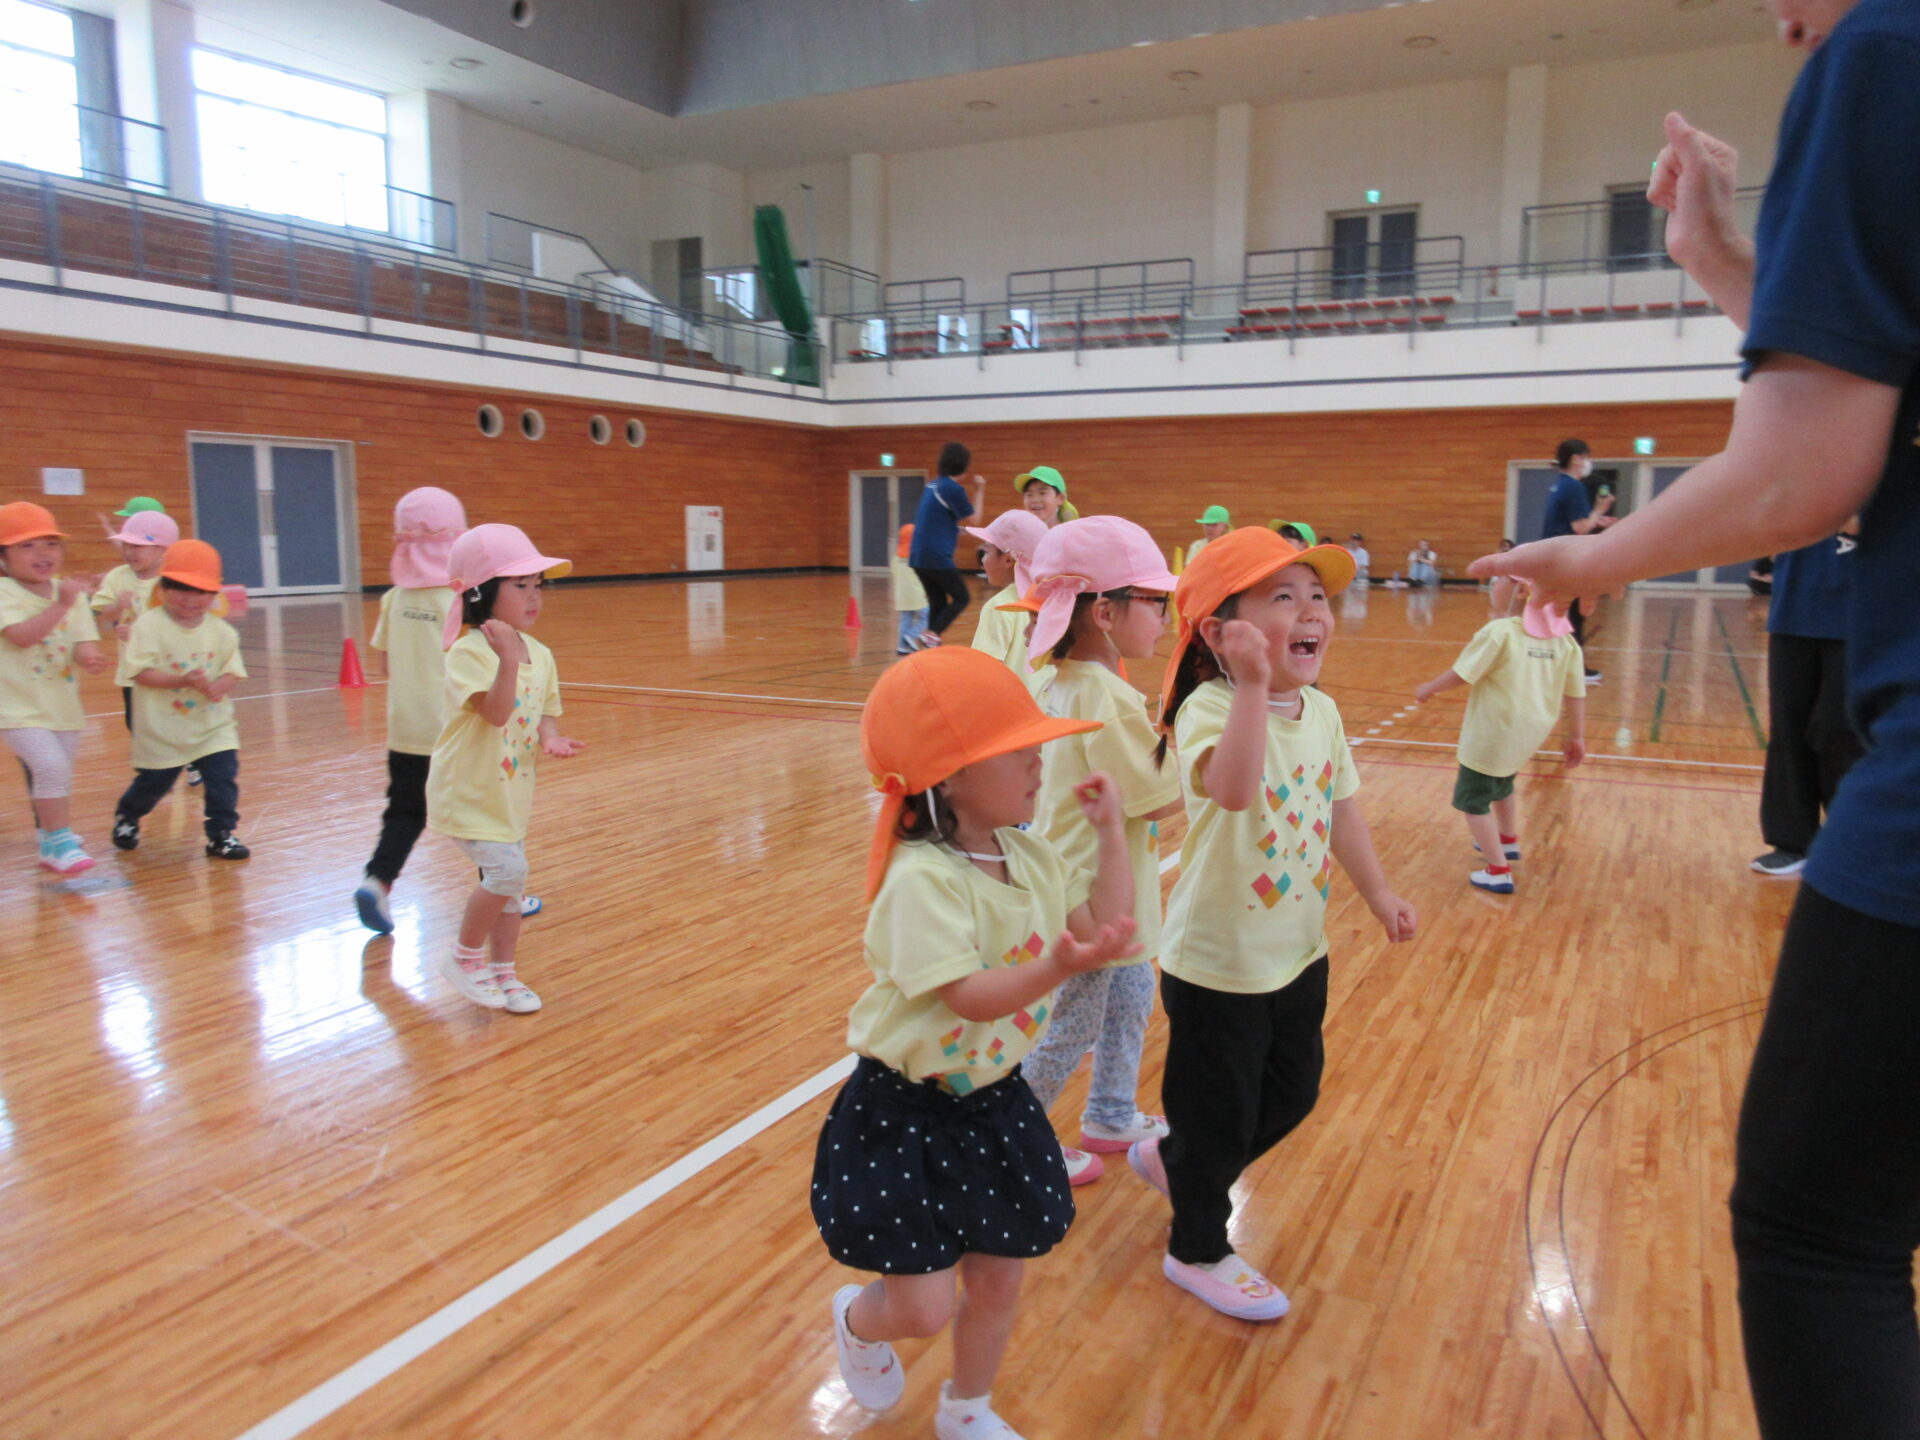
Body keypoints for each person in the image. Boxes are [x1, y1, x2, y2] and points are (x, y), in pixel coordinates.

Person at [1475, 8, 1920, 1426]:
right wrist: (1724, 261)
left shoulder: (1883, 49)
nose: (1783, 23)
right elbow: (1878, 383)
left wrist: (1588, 563)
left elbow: (1802, 472)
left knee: (1817, 1231)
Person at [814, 646, 1139, 1440]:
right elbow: (967, 995)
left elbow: (1107, 926)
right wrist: (1058, 965)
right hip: (905, 1115)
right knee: (922, 1308)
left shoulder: (1031, 854)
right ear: (949, 775)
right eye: (1015, 749)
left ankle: (968, 1409)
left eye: (1036, 745)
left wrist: (1112, 833)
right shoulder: (920, 879)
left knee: (998, 1280)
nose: (1038, 761)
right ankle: (858, 1320)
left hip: (994, 1103)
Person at [1142, 527, 1416, 1320]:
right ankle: (1196, 1246)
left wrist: (1378, 893)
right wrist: (1254, 689)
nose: (1311, 612)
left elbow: (1340, 809)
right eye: (1283, 597)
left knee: (1293, 1093)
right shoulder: (1211, 708)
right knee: (1219, 1116)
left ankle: (1178, 1159)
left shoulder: (1322, 712)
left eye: (1317, 597)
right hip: (1216, 964)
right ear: (1220, 632)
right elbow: (1233, 790)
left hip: (1297, 951)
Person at [1004, 517, 1183, 1186]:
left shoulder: (1065, 680)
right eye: (1156, 601)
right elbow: (1160, 798)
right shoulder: (1105, 698)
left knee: (1132, 991)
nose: (1166, 617)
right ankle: (1010, 1141)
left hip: (1092, 884)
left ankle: (1109, 1112)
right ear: (1105, 613)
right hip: (1089, 895)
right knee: (1071, 1028)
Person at [426, 524, 584, 1013]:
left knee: (511, 889)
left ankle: (504, 974)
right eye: (520, 586)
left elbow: (545, 710)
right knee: (509, 871)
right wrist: (509, 660)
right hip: (467, 793)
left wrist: (550, 737)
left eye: (538, 585)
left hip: (509, 797)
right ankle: (463, 957)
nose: (534, 596)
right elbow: (496, 713)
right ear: (480, 592)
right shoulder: (468, 653)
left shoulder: (542, 655)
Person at [354, 488, 521, 935]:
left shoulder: (394, 598)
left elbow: (386, 664)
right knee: (486, 812)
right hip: (458, 732)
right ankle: (504, 893)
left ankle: (377, 881)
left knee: (405, 812)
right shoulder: (462, 601)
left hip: (406, 732)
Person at [1411, 579, 1587, 893]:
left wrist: (1428, 688)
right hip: (1529, 734)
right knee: (1503, 782)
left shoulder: (1500, 632)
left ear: (1521, 591)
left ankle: (1498, 870)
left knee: (1472, 801)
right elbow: (1575, 692)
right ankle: (1507, 841)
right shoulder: (1565, 641)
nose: (1493, 587)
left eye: (1499, 581)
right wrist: (1577, 736)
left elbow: (1462, 673)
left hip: (1493, 733)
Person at [110, 539, 250, 860]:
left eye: (201, 591)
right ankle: (128, 815)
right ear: (162, 588)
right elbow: (140, 673)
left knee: (222, 778)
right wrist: (182, 681)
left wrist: (219, 687)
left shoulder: (223, 632)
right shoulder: (148, 626)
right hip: (163, 729)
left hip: (212, 726)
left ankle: (221, 834)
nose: (190, 598)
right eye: (180, 589)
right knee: (154, 784)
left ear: (214, 593)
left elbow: (233, 671)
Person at [0, 502, 108, 874]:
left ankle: (51, 838)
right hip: (15, 706)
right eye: (27, 546)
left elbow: (82, 639)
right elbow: (21, 636)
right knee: (50, 767)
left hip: (61, 706)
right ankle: (59, 842)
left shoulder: (67, 593)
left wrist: (89, 657)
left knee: (59, 773)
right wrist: (62, 605)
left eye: (50, 543)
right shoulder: (5, 592)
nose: (42, 553)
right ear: (3, 556)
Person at [1751, 531, 1862, 877]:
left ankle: (1851, 840)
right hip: (1794, 612)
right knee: (1788, 728)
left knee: (1840, 731)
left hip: (1862, 617)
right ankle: (1792, 843)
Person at [92, 508, 179, 731]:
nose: (129, 551)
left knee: (173, 723)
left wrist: (139, 635)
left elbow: (181, 627)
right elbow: (102, 615)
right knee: (137, 726)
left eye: (137, 546)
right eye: (126, 545)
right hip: (133, 673)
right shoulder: (118, 577)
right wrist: (117, 607)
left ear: (162, 549)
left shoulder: (173, 581)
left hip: (168, 671)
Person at [1541, 440, 1617, 684]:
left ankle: (1562, 667)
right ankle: (1574, 671)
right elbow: (1580, 527)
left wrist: (1597, 519)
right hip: (1564, 558)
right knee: (1573, 615)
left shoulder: (1561, 484)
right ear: (1576, 458)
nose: (1587, 462)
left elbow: (1572, 521)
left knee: (1566, 613)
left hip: (1555, 557)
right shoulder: (1573, 486)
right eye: (1585, 457)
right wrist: (1600, 508)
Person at [908, 443, 987, 649]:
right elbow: (975, 519)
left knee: (938, 601)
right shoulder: (953, 489)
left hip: (917, 556)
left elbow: (935, 520)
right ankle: (931, 634)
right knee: (962, 597)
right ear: (963, 466)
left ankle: (929, 644)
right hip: (935, 556)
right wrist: (980, 490)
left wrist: (955, 530)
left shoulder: (932, 485)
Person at [964, 510, 1049, 693]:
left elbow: (984, 672)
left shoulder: (999, 607)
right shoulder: (1054, 600)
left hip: (1014, 708)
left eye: (986, 551)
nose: (983, 560)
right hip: (1050, 708)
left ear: (1008, 560)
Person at [891, 524, 928, 656]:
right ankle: (911, 635)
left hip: (901, 594)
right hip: (915, 594)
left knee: (906, 620)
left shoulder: (896, 558)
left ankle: (902, 646)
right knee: (929, 616)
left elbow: (894, 573)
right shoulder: (917, 556)